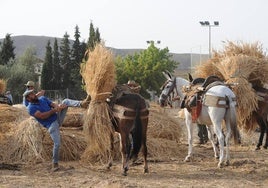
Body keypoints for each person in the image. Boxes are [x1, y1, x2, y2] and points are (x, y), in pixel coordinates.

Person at [23, 89, 90, 171]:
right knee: (57, 143)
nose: (34, 94)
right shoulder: (30, 108)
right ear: (28, 99)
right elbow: (42, 116)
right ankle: (55, 164)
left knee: (66, 101)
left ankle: (82, 104)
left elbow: (53, 104)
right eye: (32, 95)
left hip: (57, 118)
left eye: (33, 93)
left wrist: (59, 107)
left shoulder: (42, 99)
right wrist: (54, 110)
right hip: (51, 124)